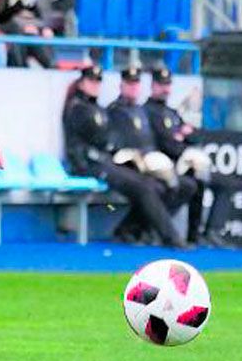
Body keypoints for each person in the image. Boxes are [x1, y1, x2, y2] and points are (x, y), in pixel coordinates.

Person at [62, 65, 188, 249]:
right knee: (144, 187)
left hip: (104, 162)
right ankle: (171, 238)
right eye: (91, 81)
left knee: (155, 186)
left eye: (98, 81)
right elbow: (93, 141)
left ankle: (131, 229)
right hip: (90, 164)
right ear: (81, 83)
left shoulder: (95, 107)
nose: (95, 85)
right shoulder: (78, 108)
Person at [107, 66, 196, 245]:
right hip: (128, 165)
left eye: (136, 84)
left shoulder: (140, 111)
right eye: (129, 84)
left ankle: (138, 228)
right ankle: (170, 238)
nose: (133, 88)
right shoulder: (115, 111)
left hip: (149, 164)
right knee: (152, 188)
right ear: (121, 85)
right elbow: (117, 145)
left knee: (185, 185)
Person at [144, 66, 229, 247]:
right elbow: (165, 143)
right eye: (161, 84)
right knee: (192, 183)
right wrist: (180, 137)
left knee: (217, 182)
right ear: (153, 85)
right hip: (162, 166)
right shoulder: (148, 111)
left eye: (168, 84)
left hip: (181, 163)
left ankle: (205, 233)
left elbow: (195, 135)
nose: (165, 89)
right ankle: (176, 233)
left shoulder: (171, 112)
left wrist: (182, 135)